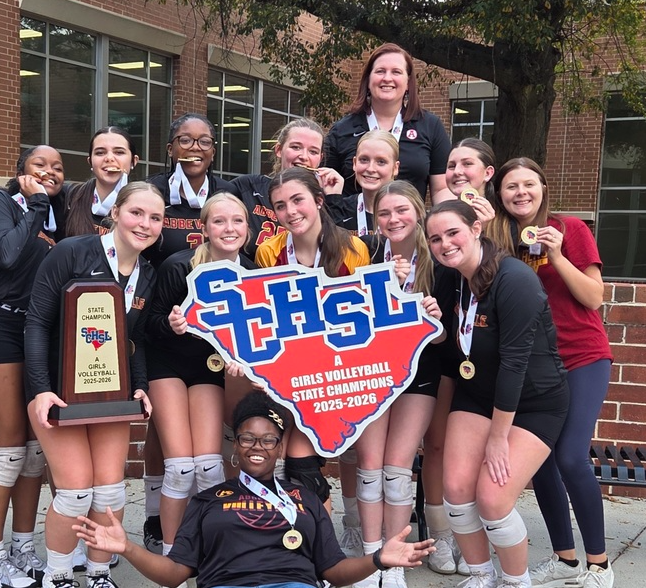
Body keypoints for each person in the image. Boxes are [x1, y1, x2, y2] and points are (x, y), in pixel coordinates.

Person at [71, 391, 436, 588]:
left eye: (267, 440)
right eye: (247, 438)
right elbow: (174, 574)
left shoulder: (306, 500)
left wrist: (377, 560)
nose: (257, 447)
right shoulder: (207, 501)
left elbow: (334, 572)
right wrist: (128, 548)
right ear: (236, 445)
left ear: (280, 447)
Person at [425, 200, 571, 588]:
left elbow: (515, 365)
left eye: (452, 232)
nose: (445, 244)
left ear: (476, 228)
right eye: (435, 238)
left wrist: (497, 438)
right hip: (476, 394)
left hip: (533, 402)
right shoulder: (449, 276)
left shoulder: (515, 279)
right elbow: (452, 347)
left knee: (491, 499)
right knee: (455, 489)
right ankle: (481, 575)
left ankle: (514, 580)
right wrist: (435, 328)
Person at [25, 182, 162, 588]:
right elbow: (37, 322)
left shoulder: (147, 274)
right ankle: (60, 574)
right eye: (137, 212)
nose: (145, 224)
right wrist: (39, 389)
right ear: (115, 212)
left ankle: (100, 573)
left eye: (155, 218)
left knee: (110, 493)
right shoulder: (72, 252)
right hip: (59, 393)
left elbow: (132, 339)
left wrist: (140, 386)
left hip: (111, 396)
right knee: (74, 493)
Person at [488, 159, 614, 588]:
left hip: (582, 358)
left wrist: (558, 255)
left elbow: (593, 298)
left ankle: (599, 564)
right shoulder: (499, 239)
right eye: (510, 187)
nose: (520, 193)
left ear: (542, 187)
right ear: (500, 194)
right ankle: (565, 558)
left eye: (528, 184)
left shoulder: (570, 229)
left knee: (571, 457)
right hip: (533, 366)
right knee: (539, 464)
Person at [0, 147, 64, 588]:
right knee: (9, 448)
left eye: (58, 168)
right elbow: (6, 255)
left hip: (37, 332)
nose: (49, 172)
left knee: (33, 449)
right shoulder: (3, 204)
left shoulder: (58, 215)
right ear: (20, 172)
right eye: (39, 165)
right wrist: (38, 204)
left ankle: (22, 549)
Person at [145, 193, 257, 558]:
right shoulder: (180, 266)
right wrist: (172, 324)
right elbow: (151, 323)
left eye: (237, 221)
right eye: (220, 221)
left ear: (248, 227)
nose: (229, 228)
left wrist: (246, 362)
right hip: (170, 366)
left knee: (209, 467)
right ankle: (171, 555)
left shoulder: (254, 272)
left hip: (210, 371)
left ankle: (212, 547)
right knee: (178, 468)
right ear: (204, 227)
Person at [255, 167, 370, 507]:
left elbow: (361, 322)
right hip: (288, 368)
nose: (290, 212)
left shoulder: (353, 249)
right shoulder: (268, 252)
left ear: (319, 200)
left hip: (337, 370)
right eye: (280, 206)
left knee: (304, 453)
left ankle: (331, 522)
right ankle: (288, 529)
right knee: (281, 448)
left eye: (297, 200)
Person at [351, 180, 444, 588]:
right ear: (375, 219)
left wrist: (432, 316)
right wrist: (378, 285)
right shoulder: (366, 255)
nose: (393, 219)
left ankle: (396, 558)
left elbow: (447, 336)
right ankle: (375, 559)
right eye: (384, 213)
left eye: (401, 211)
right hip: (372, 373)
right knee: (369, 468)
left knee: (396, 468)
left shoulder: (438, 258)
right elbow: (346, 319)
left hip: (419, 374)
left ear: (418, 213)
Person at [421, 137, 498, 577]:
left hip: (489, 352)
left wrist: (490, 226)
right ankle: (441, 537)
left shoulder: (503, 220)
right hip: (446, 348)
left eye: (466, 163)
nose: (456, 170)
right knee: (436, 444)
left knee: (484, 451)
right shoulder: (439, 222)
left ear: (488, 172)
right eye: (450, 164)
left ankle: (479, 532)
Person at [323, 43, 453, 202]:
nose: (387, 78)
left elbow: (441, 189)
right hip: (352, 225)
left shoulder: (430, 126)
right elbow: (326, 185)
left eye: (396, 72)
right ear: (368, 80)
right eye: (380, 71)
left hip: (409, 225)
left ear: (408, 83)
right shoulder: (342, 129)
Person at [228, 118, 345, 259]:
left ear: (320, 158)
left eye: (313, 151)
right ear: (279, 150)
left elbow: (335, 250)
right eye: (296, 147)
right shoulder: (247, 187)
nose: (304, 156)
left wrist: (334, 198)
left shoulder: (326, 196)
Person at [144, 113, 235, 267]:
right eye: (185, 140)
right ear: (170, 149)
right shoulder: (150, 191)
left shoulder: (227, 193)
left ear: (212, 153)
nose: (195, 147)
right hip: (161, 287)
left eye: (205, 142)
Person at [62, 126, 140, 238]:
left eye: (119, 152)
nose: (109, 158)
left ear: (134, 161)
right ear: (90, 161)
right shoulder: (69, 195)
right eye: (100, 153)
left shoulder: (144, 203)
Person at [329, 129, 400, 238]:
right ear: (354, 163)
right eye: (364, 159)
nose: (371, 168)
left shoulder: (407, 214)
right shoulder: (339, 209)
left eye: (381, 162)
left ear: (395, 168)